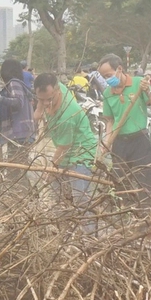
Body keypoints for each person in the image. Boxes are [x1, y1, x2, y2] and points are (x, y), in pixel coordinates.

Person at [98, 54, 151, 188]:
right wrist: (106, 142)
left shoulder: (139, 83)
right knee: (119, 182)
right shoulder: (107, 93)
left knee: (144, 181)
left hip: (140, 140)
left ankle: (146, 208)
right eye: (104, 77)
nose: (107, 79)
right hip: (119, 142)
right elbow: (110, 121)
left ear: (119, 69)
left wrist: (148, 91)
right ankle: (124, 208)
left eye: (109, 75)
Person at [36, 74, 99, 204]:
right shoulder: (56, 87)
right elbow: (43, 97)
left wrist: (51, 170)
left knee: (81, 201)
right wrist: (39, 109)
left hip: (81, 154)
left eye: (49, 99)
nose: (46, 103)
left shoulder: (68, 115)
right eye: (42, 100)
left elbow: (63, 148)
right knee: (57, 199)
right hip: (64, 154)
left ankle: (87, 224)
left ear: (58, 90)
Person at [0, 58, 34, 160]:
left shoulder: (14, 83)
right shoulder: (17, 83)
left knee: (15, 165)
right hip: (21, 132)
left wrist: (0, 99)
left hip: (19, 131)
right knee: (19, 162)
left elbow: (18, 102)